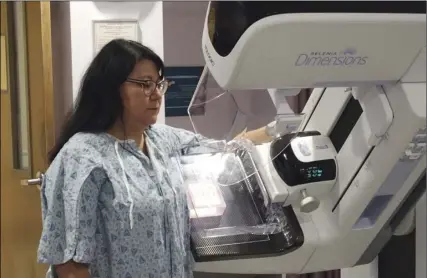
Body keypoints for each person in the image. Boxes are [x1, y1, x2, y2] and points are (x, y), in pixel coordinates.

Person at [37, 39, 274, 278]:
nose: (156, 95)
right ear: (110, 87)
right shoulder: (83, 156)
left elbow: (226, 149)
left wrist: (278, 130)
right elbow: (70, 266)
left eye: (159, 84)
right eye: (144, 84)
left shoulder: (164, 140)